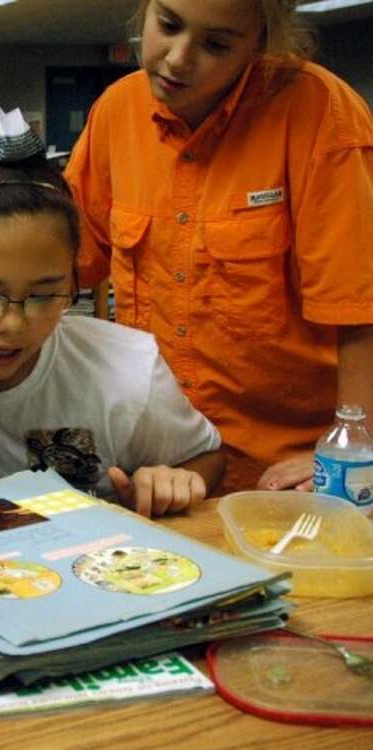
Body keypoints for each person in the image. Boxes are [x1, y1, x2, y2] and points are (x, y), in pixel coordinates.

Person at [65, 0, 373, 493]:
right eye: (167, 25)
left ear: (261, 44)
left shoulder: (321, 114)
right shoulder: (117, 112)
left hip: (277, 475)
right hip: (152, 467)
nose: (177, 59)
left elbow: (360, 314)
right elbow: (61, 268)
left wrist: (354, 454)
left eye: (216, 44)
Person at [0, 107, 224, 519]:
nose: (12, 324)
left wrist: (171, 483)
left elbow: (206, 458)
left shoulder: (128, 366)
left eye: (44, 295)